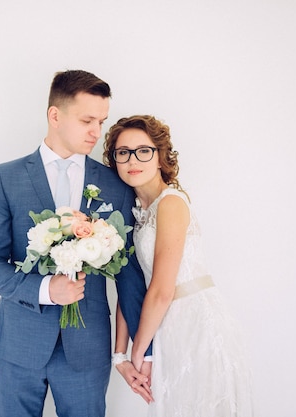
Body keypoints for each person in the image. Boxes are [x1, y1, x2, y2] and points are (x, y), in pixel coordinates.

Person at [0, 70, 149, 417]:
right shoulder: (5, 178)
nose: (96, 133)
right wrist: (45, 290)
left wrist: (140, 351)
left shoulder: (116, 186)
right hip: (17, 345)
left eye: (101, 121)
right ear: (55, 115)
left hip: (88, 349)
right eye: (87, 120)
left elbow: (129, 276)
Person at [103, 115, 255, 416]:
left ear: (160, 157)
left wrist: (139, 352)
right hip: (166, 328)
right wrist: (119, 355)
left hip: (196, 324)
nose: (133, 159)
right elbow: (129, 284)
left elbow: (160, 290)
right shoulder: (134, 214)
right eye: (123, 152)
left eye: (143, 151)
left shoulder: (170, 203)